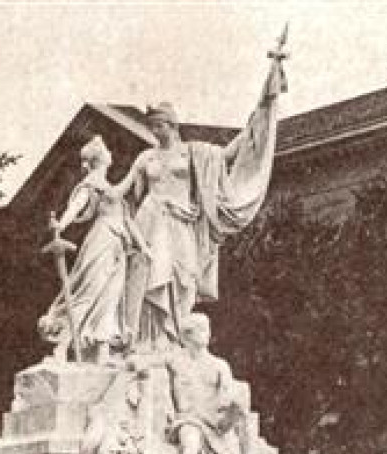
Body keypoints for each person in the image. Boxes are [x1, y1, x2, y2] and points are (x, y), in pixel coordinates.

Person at [119, 44, 286, 348]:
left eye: (159, 125)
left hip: (183, 223)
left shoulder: (195, 153)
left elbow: (228, 155)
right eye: (152, 127)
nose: (156, 132)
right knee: (151, 275)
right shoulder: (146, 158)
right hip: (151, 220)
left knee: (183, 278)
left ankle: (176, 339)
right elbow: (125, 191)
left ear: (173, 124)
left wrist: (257, 119)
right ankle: (151, 340)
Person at [127, 313, 256, 454]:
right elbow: (143, 362)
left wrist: (232, 408)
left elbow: (228, 395)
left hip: (214, 426)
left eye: (207, 328)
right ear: (187, 336)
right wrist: (134, 364)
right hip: (187, 422)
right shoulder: (175, 359)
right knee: (191, 442)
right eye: (201, 329)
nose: (207, 334)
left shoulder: (219, 365)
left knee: (237, 426)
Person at [38, 136, 139, 362]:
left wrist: (142, 247)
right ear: (101, 159)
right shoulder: (91, 184)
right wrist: (61, 224)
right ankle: (61, 345)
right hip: (101, 242)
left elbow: (127, 222)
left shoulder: (109, 187)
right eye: (107, 152)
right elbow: (76, 205)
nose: (111, 154)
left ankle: (102, 349)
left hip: (117, 246)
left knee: (111, 297)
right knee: (88, 292)